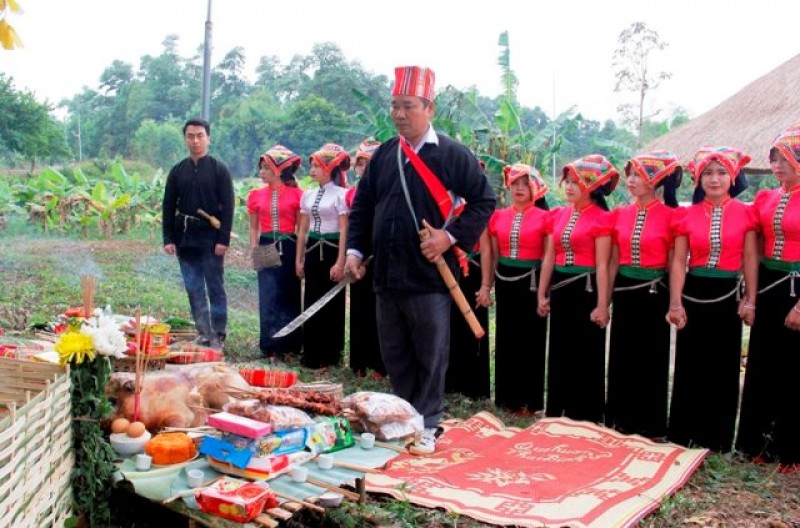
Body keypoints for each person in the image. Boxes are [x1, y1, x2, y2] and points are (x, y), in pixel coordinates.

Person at [345, 66, 495, 455]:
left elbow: (484, 201)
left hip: (429, 276)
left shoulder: (451, 154)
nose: (398, 114)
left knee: (430, 352)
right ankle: (401, 419)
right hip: (386, 274)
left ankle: (428, 423)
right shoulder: (383, 155)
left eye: (407, 106)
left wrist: (449, 237)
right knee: (394, 351)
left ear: (429, 107)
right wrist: (355, 251)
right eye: (394, 106)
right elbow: (362, 206)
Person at [666, 146, 758, 452]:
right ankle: (682, 432)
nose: (714, 179)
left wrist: (750, 299)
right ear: (698, 177)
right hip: (694, 291)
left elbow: (749, 259)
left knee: (723, 365)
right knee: (690, 361)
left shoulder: (746, 213)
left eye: (720, 173)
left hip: (727, 294)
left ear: (732, 177)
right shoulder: (686, 215)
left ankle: (716, 438)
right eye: (707, 173)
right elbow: (679, 261)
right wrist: (676, 302)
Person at [737, 124, 800, 472]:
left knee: (794, 367)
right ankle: (758, 443)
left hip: (798, 286)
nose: (777, 165)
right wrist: (750, 295)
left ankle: (792, 448)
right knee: (763, 362)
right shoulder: (766, 198)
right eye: (774, 158)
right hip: (769, 282)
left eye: (785, 159)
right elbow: (755, 246)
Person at [605, 152, 681, 438]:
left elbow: (674, 263)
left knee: (652, 357)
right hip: (625, 291)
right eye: (630, 174)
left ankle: (649, 424)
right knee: (622, 353)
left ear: (655, 180)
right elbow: (613, 260)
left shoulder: (671, 216)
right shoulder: (620, 215)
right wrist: (606, 299)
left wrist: (675, 301)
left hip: (654, 292)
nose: (631, 180)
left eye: (638, 175)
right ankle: (619, 419)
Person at [537, 154, 617, 424]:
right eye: (568, 181)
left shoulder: (602, 219)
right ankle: (556, 408)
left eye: (577, 183)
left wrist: (603, 304)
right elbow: (549, 257)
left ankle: (585, 412)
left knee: (586, 351)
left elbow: (603, 266)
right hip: (560, 288)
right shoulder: (558, 215)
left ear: (592, 187)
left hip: (587, 290)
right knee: (559, 347)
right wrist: (542, 292)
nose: (569, 187)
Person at [162, 118, 234, 350]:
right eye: (190, 136)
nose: (195, 140)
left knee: (215, 285)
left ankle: (218, 334)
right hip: (185, 237)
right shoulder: (177, 171)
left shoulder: (218, 170)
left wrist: (223, 239)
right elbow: (168, 206)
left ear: (208, 138)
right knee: (193, 286)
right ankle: (203, 332)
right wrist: (169, 238)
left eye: (200, 135)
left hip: (211, 239)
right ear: (185, 139)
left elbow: (229, 206)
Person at [483, 163, 549, 412]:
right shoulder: (498, 216)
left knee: (531, 338)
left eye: (525, 184)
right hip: (505, 279)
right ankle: (506, 398)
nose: (519, 189)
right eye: (515, 184)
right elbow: (492, 254)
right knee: (506, 336)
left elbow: (548, 257)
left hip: (532, 279)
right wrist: (486, 284)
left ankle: (529, 400)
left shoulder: (546, 218)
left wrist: (544, 291)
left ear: (535, 188)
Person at [295, 143, 350, 369]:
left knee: (332, 304)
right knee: (311, 299)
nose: (312, 170)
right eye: (312, 166)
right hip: (312, 251)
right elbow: (303, 231)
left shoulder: (342, 195)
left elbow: (345, 230)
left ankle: (331, 355)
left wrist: (340, 261)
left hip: (332, 249)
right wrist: (299, 259)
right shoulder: (308, 195)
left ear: (329, 168)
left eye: (317, 166)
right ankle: (311, 353)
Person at [247, 145, 304, 358]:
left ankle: (290, 346)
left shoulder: (297, 195)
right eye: (261, 168)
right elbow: (253, 227)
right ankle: (269, 344)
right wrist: (253, 249)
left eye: (265, 169)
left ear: (278, 170)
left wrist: (300, 256)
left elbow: (300, 229)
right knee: (268, 294)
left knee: (289, 293)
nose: (261, 173)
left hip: (288, 244)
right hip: (266, 243)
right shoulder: (255, 195)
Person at [446, 158, 492, 401]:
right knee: (450, 324)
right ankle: (450, 380)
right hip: (448, 266)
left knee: (473, 325)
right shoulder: (447, 202)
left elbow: (485, 248)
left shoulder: (479, 205)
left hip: (472, 269)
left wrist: (485, 284)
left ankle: (474, 385)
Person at [346, 139, 386, 378]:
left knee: (380, 311)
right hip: (359, 255)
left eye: (366, 162)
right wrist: (353, 254)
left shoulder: (386, 189)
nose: (362, 167)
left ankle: (380, 364)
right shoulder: (354, 192)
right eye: (359, 163)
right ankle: (359, 363)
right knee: (359, 308)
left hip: (381, 256)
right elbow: (354, 225)